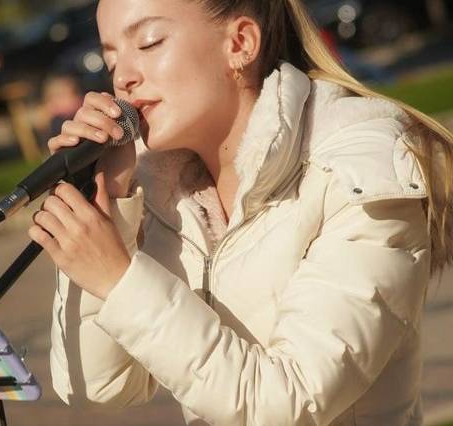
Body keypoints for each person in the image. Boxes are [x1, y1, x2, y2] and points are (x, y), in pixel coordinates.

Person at [29, 0, 453, 424]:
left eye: (149, 42)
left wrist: (119, 278)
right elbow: (97, 387)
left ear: (240, 43)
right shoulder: (167, 187)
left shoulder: (359, 169)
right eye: (110, 59)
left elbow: (288, 403)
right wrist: (108, 206)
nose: (124, 78)